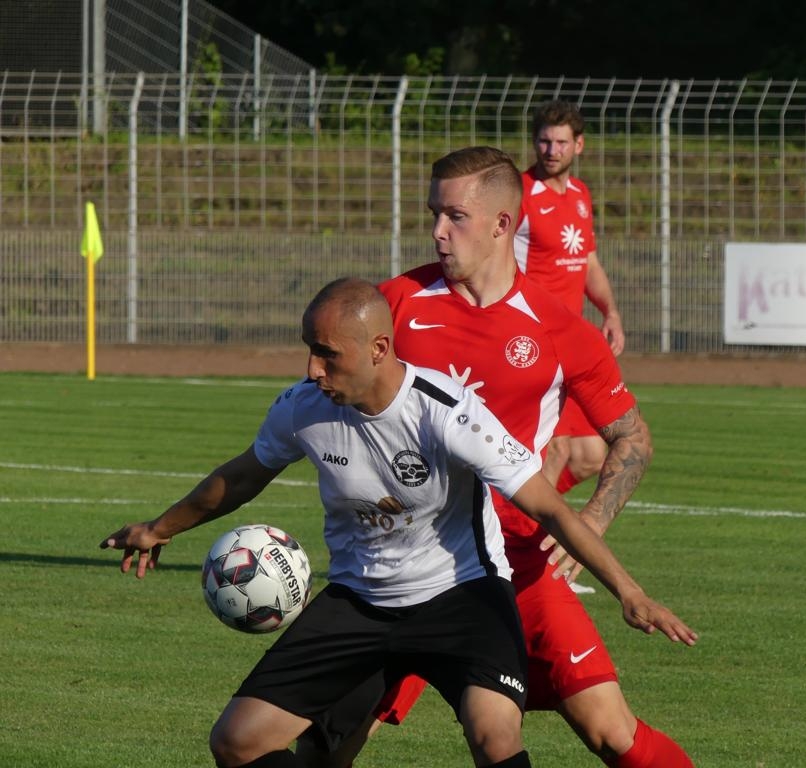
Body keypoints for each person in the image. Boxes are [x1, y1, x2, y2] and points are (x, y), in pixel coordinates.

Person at [99, 277, 695, 768]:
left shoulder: (449, 412)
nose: (313, 368)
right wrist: (160, 528)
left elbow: (549, 507)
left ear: (379, 349)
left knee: (495, 737)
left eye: (328, 353)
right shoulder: (303, 408)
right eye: (309, 349)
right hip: (359, 601)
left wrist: (631, 593)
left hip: (462, 596)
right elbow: (244, 475)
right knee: (236, 741)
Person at [303, 148, 697, 768]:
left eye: (455, 216)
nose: (437, 231)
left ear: (502, 225)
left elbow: (634, 438)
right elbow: (329, 400)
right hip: (411, 570)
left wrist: (590, 523)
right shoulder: (396, 305)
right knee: (331, 741)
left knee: (609, 729)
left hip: (519, 567)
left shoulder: (559, 329)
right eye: (434, 213)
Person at [513, 99, 623, 499]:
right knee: (556, 447)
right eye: (544, 141)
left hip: (570, 339)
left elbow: (588, 262)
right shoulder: (519, 194)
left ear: (579, 145)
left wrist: (609, 312)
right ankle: (527, 532)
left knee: (592, 453)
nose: (551, 151)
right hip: (533, 338)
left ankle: (514, 514)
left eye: (561, 142)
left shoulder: (580, 194)